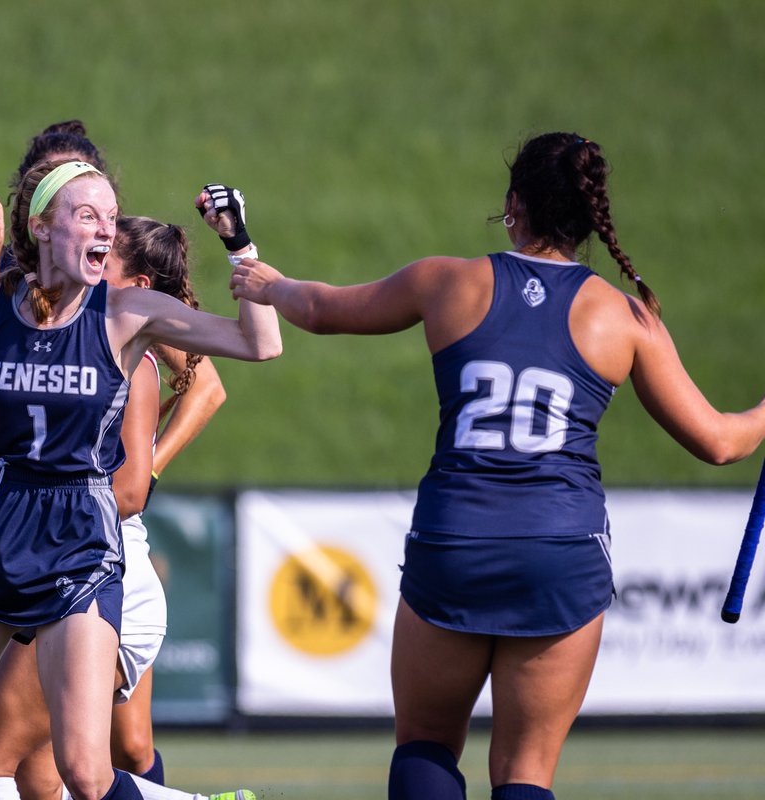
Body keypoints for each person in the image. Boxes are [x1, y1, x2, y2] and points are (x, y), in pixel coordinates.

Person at [224, 131, 765, 800]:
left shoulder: (447, 281)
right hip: (560, 552)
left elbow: (324, 310)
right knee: (524, 773)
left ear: (515, 206)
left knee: (423, 746)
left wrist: (270, 283)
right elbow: (720, 440)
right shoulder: (623, 318)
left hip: (454, 543)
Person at [0, 92, 280, 800]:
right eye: (87, 216)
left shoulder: (129, 311)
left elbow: (260, 343)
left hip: (77, 544)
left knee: (81, 767)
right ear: (41, 227)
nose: (106, 229)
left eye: (111, 216)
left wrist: (241, 248)